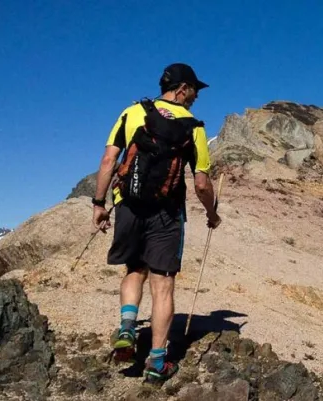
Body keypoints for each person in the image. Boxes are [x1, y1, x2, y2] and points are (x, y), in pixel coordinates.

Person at [91, 63, 221, 386]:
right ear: (181, 89)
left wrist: (98, 203)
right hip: (167, 212)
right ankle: (157, 363)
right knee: (163, 285)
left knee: (134, 269)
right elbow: (202, 183)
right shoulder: (194, 127)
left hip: (129, 205)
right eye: (193, 91)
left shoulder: (132, 112)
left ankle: (126, 328)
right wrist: (212, 213)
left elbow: (109, 160)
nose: (195, 98)